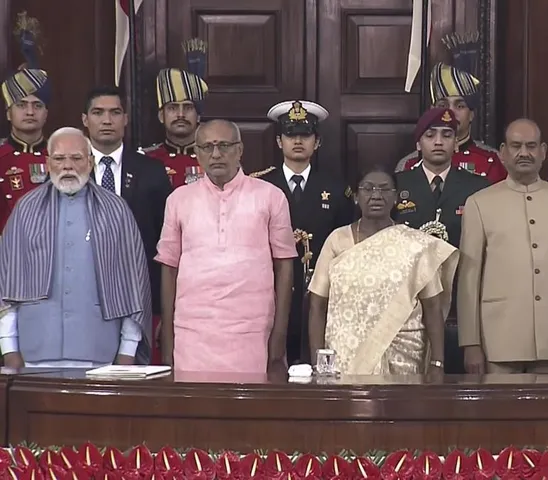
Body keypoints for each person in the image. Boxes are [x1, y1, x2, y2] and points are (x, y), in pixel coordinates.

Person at [0, 127, 152, 368]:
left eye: (77, 158)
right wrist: (9, 348)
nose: (67, 166)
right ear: (48, 163)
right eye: (59, 159)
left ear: (90, 162)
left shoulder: (116, 210)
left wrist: (127, 351)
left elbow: (132, 284)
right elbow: (8, 281)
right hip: (33, 354)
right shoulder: (25, 209)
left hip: (100, 354)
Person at [156, 120, 297, 374]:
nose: (216, 154)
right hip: (192, 335)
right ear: (197, 153)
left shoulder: (270, 196)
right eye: (207, 147)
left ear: (240, 150)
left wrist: (279, 335)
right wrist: (168, 336)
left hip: (252, 334)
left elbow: (285, 265)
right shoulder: (178, 200)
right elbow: (169, 267)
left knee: (249, 412)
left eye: (224, 145)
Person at [457, 118, 548, 374]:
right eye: (516, 146)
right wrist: (470, 342)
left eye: (531, 146)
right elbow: (469, 281)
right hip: (498, 340)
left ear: (543, 151)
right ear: (503, 152)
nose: (524, 153)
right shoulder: (479, 203)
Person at [307, 165, 458, 375]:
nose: (376, 195)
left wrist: (437, 362)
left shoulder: (414, 245)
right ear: (357, 196)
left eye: (384, 189)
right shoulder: (337, 240)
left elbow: (432, 307)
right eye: (368, 189)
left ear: (395, 197)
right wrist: (319, 362)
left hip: (402, 359)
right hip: (345, 357)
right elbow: (317, 304)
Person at [250, 100, 354, 364]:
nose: (298, 141)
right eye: (290, 134)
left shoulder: (337, 189)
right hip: (269, 293)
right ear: (278, 141)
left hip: (319, 296)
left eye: (305, 135)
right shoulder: (258, 185)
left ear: (317, 142)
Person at [394, 107, 489, 374]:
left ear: (456, 142)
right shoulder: (398, 185)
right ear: (418, 143)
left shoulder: (478, 188)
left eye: (447, 135)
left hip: (461, 301)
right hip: (408, 302)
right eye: (430, 135)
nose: (438, 141)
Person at [82, 86, 172, 364]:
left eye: (114, 112)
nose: (107, 120)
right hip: (86, 299)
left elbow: (164, 243)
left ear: (126, 119)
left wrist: (162, 311)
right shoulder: (70, 170)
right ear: (85, 120)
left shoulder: (152, 171)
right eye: (98, 113)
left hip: (141, 298)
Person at [395, 32, 505, 183]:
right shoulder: (409, 164)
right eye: (443, 105)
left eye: (460, 105)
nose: (450, 112)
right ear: (432, 109)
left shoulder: (493, 161)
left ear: (471, 114)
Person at [0, 12, 50, 231]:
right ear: (8, 113)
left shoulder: (62, 155)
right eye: (21, 105)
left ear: (46, 113)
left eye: (37, 105)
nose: (30, 111)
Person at [143, 38, 209, 187]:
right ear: (161, 116)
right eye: (172, 108)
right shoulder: (146, 160)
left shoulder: (213, 159)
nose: (180, 114)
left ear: (198, 115)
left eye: (188, 107)